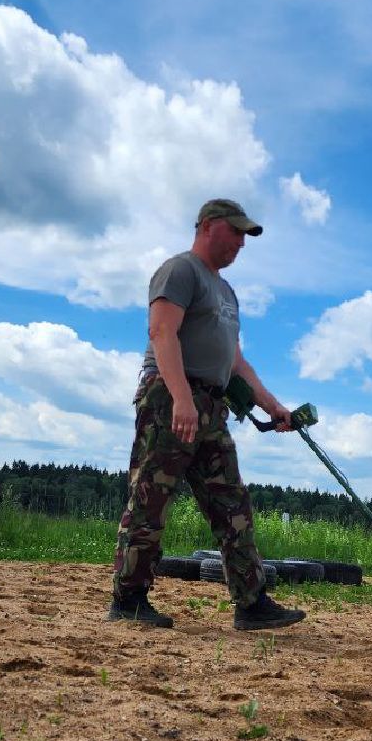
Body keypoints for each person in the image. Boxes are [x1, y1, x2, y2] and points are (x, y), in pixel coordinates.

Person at [109, 198, 307, 630]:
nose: (240, 242)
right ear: (208, 226)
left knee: (231, 502)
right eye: (235, 232)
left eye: (244, 235)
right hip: (170, 396)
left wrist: (273, 407)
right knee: (151, 498)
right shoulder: (180, 270)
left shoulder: (227, 293)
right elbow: (162, 332)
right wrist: (180, 398)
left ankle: (252, 604)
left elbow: (236, 362)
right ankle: (128, 599)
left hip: (212, 406)